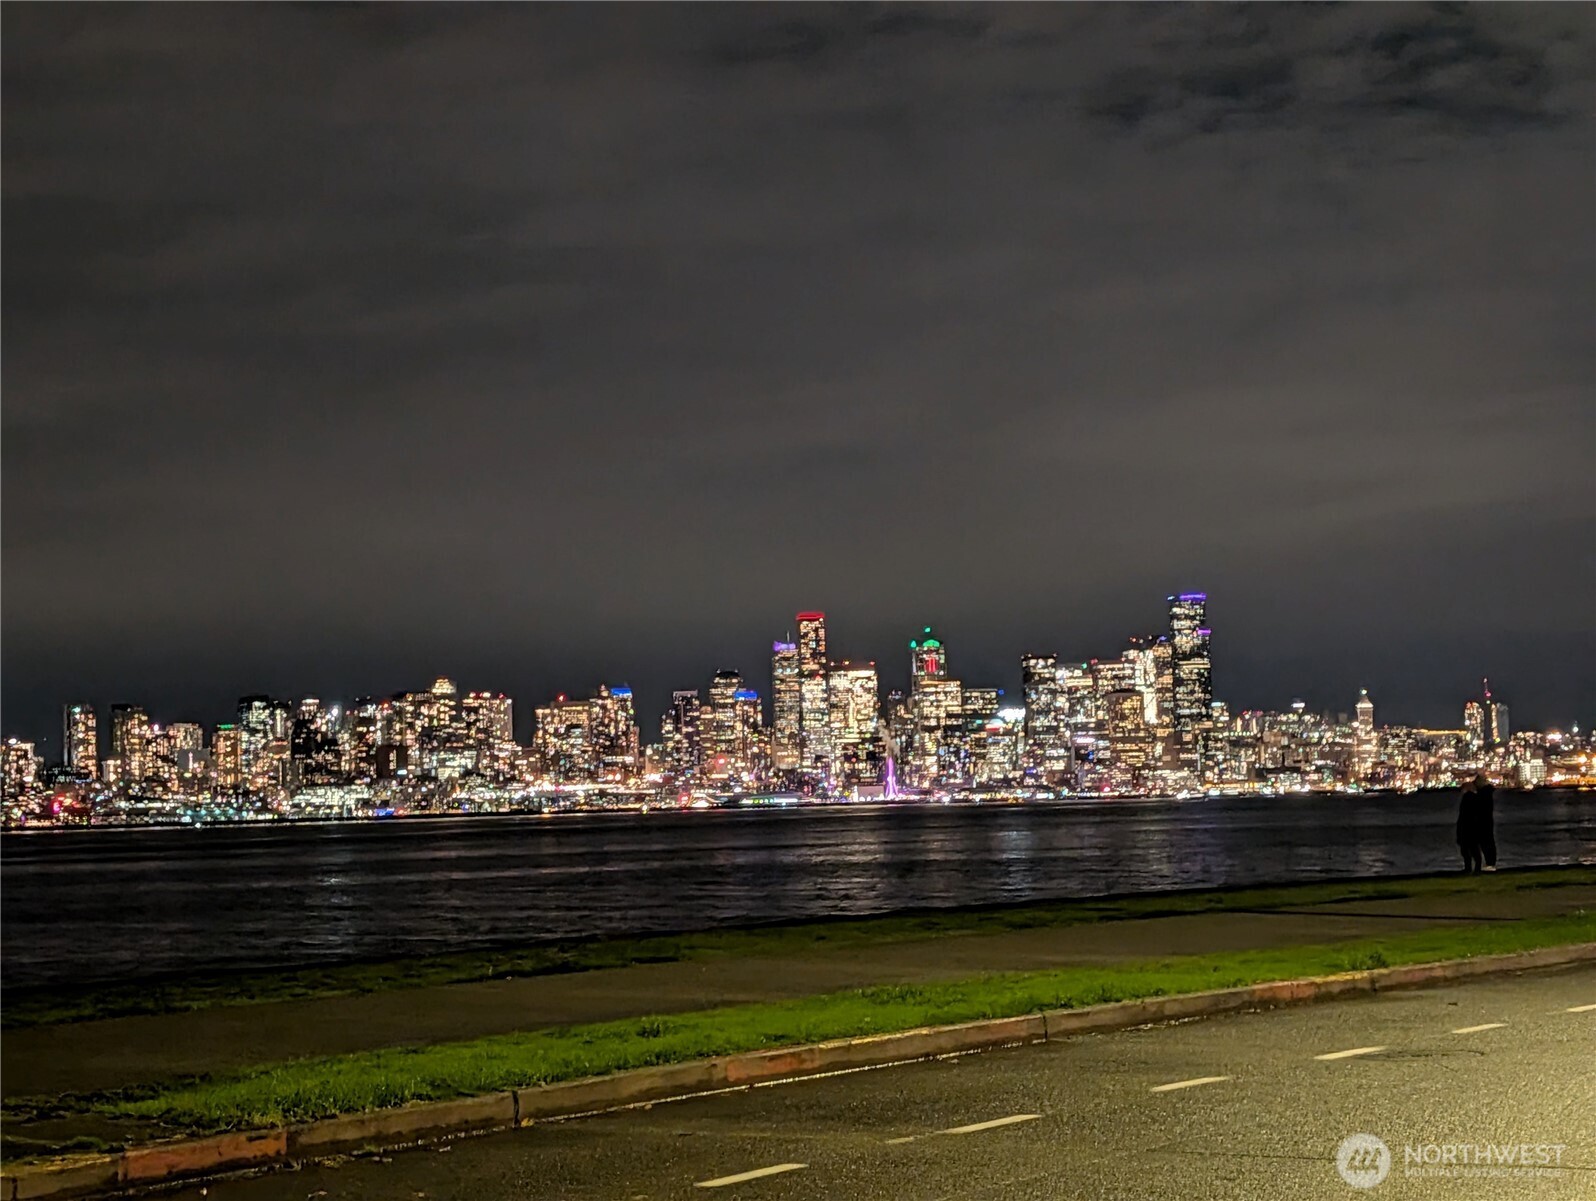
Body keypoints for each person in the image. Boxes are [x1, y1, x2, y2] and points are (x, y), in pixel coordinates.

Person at [1456, 777, 1483, 873]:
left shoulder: (1467, 799)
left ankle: (1470, 868)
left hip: (1467, 828)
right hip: (1472, 827)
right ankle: (1476, 868)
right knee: (1473, 850)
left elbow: (1462, 815)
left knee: (1467, 850)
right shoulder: (1474, 799)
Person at [1473, 771, 1498, 872]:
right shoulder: (1487, 794)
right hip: (1486, 821)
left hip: (1483, 821)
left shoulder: (1482, 795)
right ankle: (1489, 863)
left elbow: (1480, 808)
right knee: (1487, 842)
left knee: (1485, 842)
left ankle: (1488, 863)